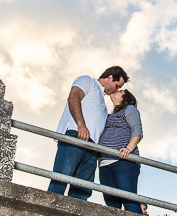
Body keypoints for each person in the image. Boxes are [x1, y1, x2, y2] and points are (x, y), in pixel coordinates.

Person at [47, 66, 129, 199]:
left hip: (92, 149)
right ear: (109, 78)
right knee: (60, 179)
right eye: (117, 85)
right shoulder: (88, 81)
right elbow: (73, 98)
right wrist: (81, 124)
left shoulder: (103, 102)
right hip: (76, 137)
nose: (117, 90)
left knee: (82, 191)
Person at [98, 89, 144, 213]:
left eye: (121, 91)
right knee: (112, 206)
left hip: (122, 161)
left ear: (125, 98)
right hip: (104, 163)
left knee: (129, 201)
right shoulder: (108, 115)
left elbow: (137, 131)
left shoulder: (129, 109)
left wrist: (128, 149)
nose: (116, 91)